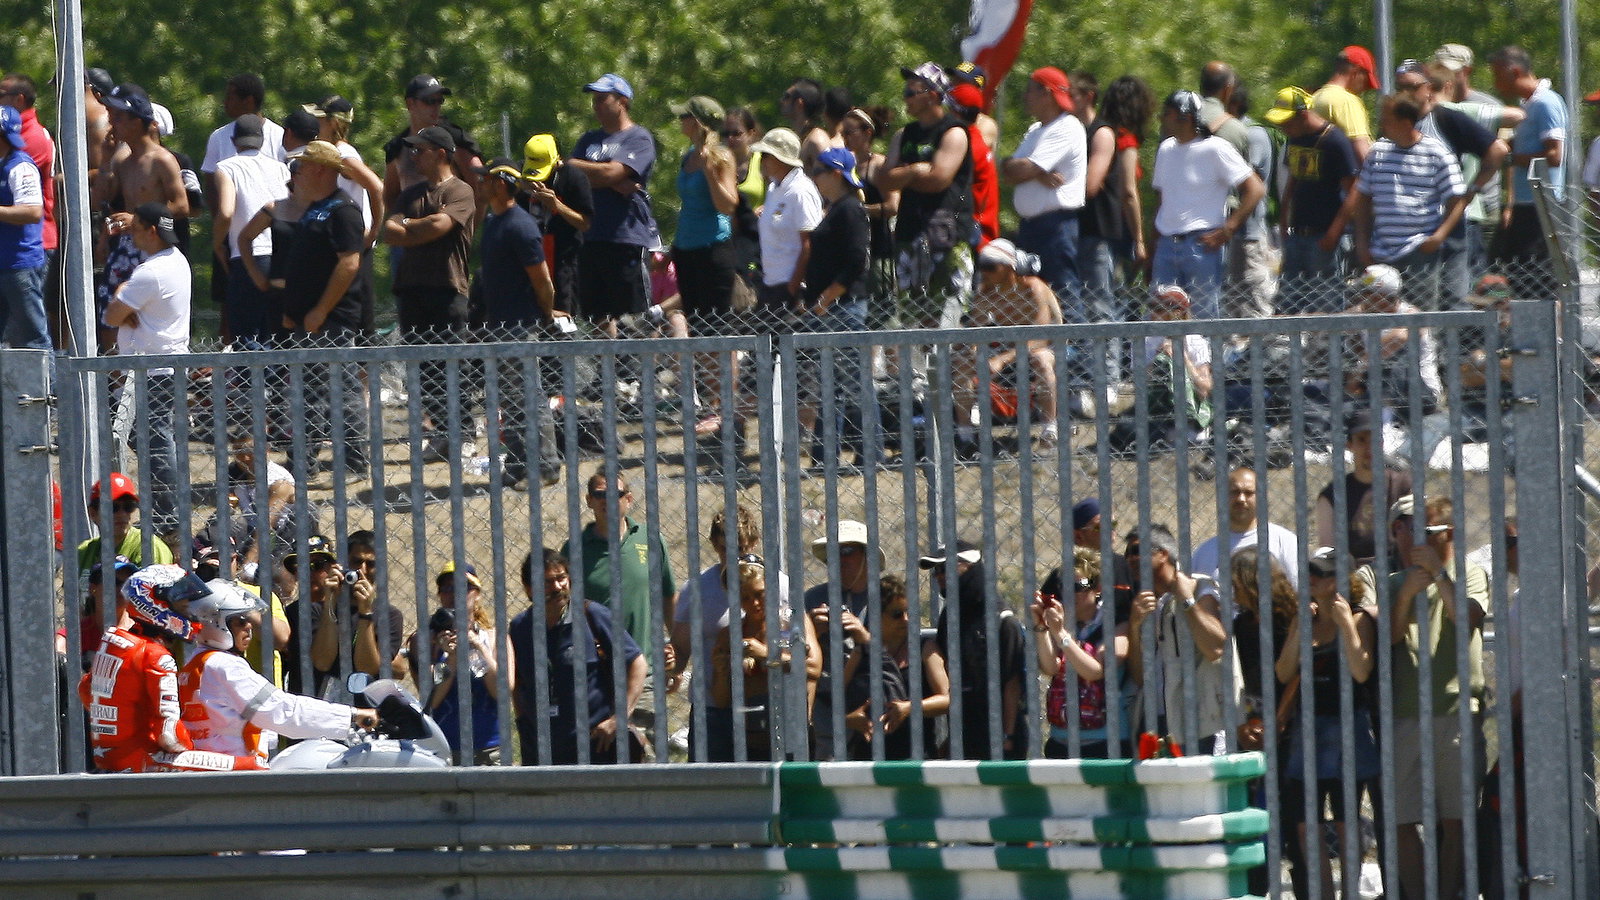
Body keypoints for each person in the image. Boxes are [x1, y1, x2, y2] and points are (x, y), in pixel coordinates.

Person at [244, 141, 370, 471]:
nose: (295, 173)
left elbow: (349, 263)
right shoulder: (315, 208)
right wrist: (294, 310)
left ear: (320, 170)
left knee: (342, 389)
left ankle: (354, 461)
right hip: (305, 319)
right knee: (308, 391)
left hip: (331, 318)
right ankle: (304, 461)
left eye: (300, 167)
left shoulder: (343, 210)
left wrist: (321, 310)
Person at [1388, 494, 1490, 900]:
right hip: (1403, 711)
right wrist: (1404, 596)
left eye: (1426, 529)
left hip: (1456, 710)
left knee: (1457, 818)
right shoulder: (1392, 580)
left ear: (1447, 533)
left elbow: (1467, 618)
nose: (1416, 537)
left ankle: (1448, 894)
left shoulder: (1472, 574)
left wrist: (1439, 575)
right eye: (1408, 528)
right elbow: (1389, 638)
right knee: (1400, 818)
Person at [178, 578, 377, 767]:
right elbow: (282, 710)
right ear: (215, 623)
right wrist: (353, 715)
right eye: (240, 621)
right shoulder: (225, 666)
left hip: (215, 766)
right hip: (236, 771)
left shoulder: (197, 663)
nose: (249, 627)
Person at [1275, 546, 1379, 900]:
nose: (1311, 580)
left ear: (1340, 580)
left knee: (1347, 821)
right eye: (1309, 573)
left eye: (1320, 574)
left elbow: (1361, 671)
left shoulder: (1359, 617)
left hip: (1348, 728)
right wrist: (1300, 629)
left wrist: (1346, 624)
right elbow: (1283, 672)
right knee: (1308, 825)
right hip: (1309, 730)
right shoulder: (1304, 618)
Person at [561, 469, 677, 754]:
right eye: (599, 494)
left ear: (629, 499)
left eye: (615, 493)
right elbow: (564, 607)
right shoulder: (575, 549)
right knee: (598, 753)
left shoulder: (650, 540)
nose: (607, 500)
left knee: (646, 755)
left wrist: (678, 652)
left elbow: (668, 596)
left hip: (644, 670)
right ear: (589, 500)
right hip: (595, 674)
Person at [382, 125, 475, 462]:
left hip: (447, 290)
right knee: (423, 370)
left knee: (452, 366)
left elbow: (441, 226)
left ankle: (463, 433)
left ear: (441, 153)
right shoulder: (412, 194)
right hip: (411, 289)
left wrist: (410, 226)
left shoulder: (460, 190)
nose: (414, 156)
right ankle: (442, 433)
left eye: (420, 150)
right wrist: (415, 228)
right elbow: (389, 231)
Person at [100, 202, 189, 541]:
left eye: (136, 229)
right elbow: (120, 312)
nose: (131, 235)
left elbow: (111, 315)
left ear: (151, 231)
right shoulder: (175, 260)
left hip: (154, 370)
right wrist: (126, 305)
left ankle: (169, 519)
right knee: (150, 440)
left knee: (155, 443)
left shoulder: (150, 272)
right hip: (159, 367)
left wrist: (121, 295)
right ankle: (168, 515)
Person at [510, 549, 646, 765]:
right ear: (529, 589)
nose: (557, 587)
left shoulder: (592, 616)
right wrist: (524, 725)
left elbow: (637, 663)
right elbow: (516, 683)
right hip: (542, 750)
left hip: (596, 747)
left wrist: (619, 718)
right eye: (546, 582)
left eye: (561, 578)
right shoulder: (519, 628)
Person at [78, 565, 209, 772]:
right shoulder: (157, 656)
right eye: (183, 606)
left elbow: (86, 691)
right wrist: (196, 748)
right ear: (155, 605)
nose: (190, 613)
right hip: (145, 762)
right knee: (253, 766)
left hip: (107, 760)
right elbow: (171, 737)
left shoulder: (112, 642)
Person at [1123, 524, 1241, 753]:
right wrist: (1135, 625)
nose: (1131, 559)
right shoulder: (1145, 604)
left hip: (1199, 721)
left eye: (1137, 551)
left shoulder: (1199, 587)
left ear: (1163, 554)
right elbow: (1140, 676)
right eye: (1128, 554)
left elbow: (1216, 648)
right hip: (1158, 721)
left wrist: (1186, 600)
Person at [1149, 91, 1264, 320]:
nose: (1162, 119)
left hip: (1201, 244)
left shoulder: (1216, 148)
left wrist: (1229, 228)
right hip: (1166, 243)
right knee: (1160, 317)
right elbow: (1162, 199)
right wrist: (1153, 243)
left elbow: (1255, 189)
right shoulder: (1166, 149)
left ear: (1186, 117)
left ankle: (1205, 346)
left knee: (1203, 316)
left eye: (1167, 114)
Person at [879, 62, 973, 329]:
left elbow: (938, 180)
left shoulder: (953, 132)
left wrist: (905, 176)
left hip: (947, 237)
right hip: (910, 234)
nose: (905, 98)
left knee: (948, 319)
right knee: (911, 320)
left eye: (911, 92)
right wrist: (916, 170)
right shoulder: (904, 135)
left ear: (932, 95)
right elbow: (884, 179)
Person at [1351, 95, 1467, 313]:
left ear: (1405, 123)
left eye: (1387, 120)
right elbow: (1363, 198)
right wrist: (1362, 242)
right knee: (1376, 315)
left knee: (1420, 316)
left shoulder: (1437, 153)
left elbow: (1457, 199)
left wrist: (1439, 237)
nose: (1381, 125)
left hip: (1419, 251)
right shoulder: (1377, 152)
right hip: (1380, 251)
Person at [93, 84, 190, 338]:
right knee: (111, 320)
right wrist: (105, 160)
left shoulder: (162, 159)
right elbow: (101, 200)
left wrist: (137, 219)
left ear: (137, 121)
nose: (112, 123)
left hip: (151, 244)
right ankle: (113, 365)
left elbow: (181, 205)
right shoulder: (123, 161)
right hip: (125, 245)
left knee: (145, 320)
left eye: (119, 117)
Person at [703, 554, 821, 761]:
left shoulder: (793, 620)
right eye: (745, 598)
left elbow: (813, 668)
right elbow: (721, 701)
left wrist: (766, 654)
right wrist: (721, 672)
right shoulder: (729, 635)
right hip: (749, 741)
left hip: (793, 735)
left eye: (760, 594)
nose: (755, 603)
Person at [569, 73, 658, 342]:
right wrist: (604, 176)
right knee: (598, 316)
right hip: (591, 235)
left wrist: (592, 171)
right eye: (594, 100)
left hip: (625, 238)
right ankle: (609, 366)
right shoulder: (589, 140)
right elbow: (571, 178)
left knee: (633, 317)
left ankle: (640, 366)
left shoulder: (638, 138)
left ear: (622, 102)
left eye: (602, 99)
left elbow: (610, 173)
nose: (596, 105)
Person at [953, 238, 1061, 452]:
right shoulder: (987, 292)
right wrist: (973, 353)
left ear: (1010, 267)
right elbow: (975, 331)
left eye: (991, 267)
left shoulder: (1033, 288)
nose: (985, 272)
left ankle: (1049, 428)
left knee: (1041, 358)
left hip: (1039, 348)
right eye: (982, 266)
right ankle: (965, 435)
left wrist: (1001, 360)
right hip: (1006, 350)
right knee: (962, 362)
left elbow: (1041, 336)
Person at [798, 146, 871, 460]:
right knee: (831, 384)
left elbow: (856, 260)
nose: (814, 177)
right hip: (829, 308)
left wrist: (827, 297)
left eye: (818, 171)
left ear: (836, 174)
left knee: (853, 383)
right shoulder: (835, 208)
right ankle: (825, 455)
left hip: (843, 306)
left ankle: (871, 452)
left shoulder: (850, 209)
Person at [926, 540, 1026, 759]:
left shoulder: (1002, 619)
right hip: (965, 733)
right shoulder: (950, 617)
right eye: (936, 571)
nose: (939, 576)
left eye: (945, 568)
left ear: (969, 567)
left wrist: (1008, 736)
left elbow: (1012, 683)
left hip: (1001, 734)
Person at [1001, 67, 1086, 319]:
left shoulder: (1067, 126)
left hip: (1056, 226)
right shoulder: (1035, 130)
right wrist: (1036, 172)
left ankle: (1076, 344)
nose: (1025, 96)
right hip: (1032, 226)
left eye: (1030, 90)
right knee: (1032, 299)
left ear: (1047, 93)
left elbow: (1022, 168)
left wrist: (1029, 169)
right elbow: (1007, 171)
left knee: (1063, 295)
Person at [1267, 86, 1359, 314]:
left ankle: (1329, 337)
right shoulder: (1295, 140)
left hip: (1324, 234)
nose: (1284, 128)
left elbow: (1353, 191)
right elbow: (1293, 179)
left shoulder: (1335, 141)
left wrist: (1334, 233)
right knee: (1288, 299)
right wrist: (1284, 218)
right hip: (1297, 232)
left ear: (1303, 114)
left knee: (1326, 300)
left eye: (1287, 122)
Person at [838, 572, 950, 760]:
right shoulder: (861, 653)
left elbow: (947, 699)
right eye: (897, 614)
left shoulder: (925, 649)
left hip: (915, 757)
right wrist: (850, 720)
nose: (906, 619)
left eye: (909, 612)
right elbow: (836, 707)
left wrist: (909, 708)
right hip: (868, 758)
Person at [1031, 548, 1131, 758]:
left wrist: (1061, 635)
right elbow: (1050, 667)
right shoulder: (1063, 622)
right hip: (1061, 739)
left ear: (1098, 589)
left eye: (1078, 587)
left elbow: (1095, 671)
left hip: (1105, 740)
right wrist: (1041, 628)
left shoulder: (1116, 623)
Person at [281, 533, 405, 698]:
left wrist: (365, 613)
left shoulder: (389, 616)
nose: (362, 570)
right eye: (356, 562)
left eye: (371, 564)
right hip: (314, 705)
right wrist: (331, 601)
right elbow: (322, 662)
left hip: (362, 708)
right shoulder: (307, 611)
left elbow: (368, 668)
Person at [1489, 46, 1567, 301]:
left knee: (1536, 273)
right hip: (1525, 202)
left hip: (1541, 204)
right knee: (1516, 267)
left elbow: (1554, 155)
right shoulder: (1528, 105)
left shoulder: (1546, 103)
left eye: (1498, 76)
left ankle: (1544, 323)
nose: (1496, 84)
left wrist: (1511, 158)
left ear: (1514, 72)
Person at [411, 563, 507, 765]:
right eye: (447, 588)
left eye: (463, 587)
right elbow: (431, 698)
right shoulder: (425, 641)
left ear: (477, 594)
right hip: (444, 748)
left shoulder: (494, 637)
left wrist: (478, 647)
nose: (454, 594)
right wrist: (451, 659)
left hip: (490, 748)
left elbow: (503, 692)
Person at [305, 95, 385, 331]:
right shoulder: (331, 152)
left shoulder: (343, 154)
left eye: (319, 119)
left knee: (361, 324)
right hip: (340, 246)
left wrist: (373, 232)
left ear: (333, 123)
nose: (314, 124)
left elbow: (377, 187)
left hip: (354, 245)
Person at [212, 114, 289, 349]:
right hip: (280, 256)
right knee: (275, 335)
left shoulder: (226, 168)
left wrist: (217, 243)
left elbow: (226, 212)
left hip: (246, 256)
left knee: (246, 336)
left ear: (234, 140)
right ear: (262, 141)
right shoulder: (281, 169)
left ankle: (251, 375)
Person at [805, 519, 880, 760]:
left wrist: (863, 636)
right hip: (826, 707)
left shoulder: (887, 596)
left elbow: (901, 653)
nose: (840, 559)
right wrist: (812, 632)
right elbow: (792, 653)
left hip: (875, 702)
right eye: (834, 552)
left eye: (847, 550)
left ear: (867, 556)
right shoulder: (812, 599)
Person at [1314, 408, 1412, 568]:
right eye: (1361, 440)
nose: (1369, 447)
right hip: (1355, 574)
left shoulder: (1402, 485)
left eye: (1374, 440)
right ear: (1349, 445)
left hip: (1397, 570)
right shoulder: (1332, 496)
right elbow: (1327, 550)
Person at [1342, 263, 1443, 414]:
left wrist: (1353, 380)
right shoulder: (1367, 309)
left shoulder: (1410, 315)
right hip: (1376, 386)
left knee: (1391, 367)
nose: (1360, 297)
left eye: (1365, 293)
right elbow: (1332, 322)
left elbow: (1394, 341)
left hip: (1417, 391)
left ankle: (1385, 419)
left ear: (1380, 296)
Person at [380, 73, 485, 218]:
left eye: (439, 101)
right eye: (429, 101)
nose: (436, 107)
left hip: (448, 225)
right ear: (410, 104)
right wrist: (399, 224)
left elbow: (480, 185)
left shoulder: (454, 140)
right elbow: (390, 196)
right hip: (412, 228)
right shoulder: (398, 148)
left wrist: (467, 226)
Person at [520, 133, 592, 321]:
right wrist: (520, 187)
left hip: (563, 259)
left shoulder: (573, 178)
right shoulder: (521, 176)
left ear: (557, 160)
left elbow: (585, 223)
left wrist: (557, 205)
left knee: (562, 316)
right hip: (530, 256)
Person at [1191, 467, 1301, 588]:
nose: (1241, 499)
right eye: (1234, 492)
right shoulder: (1204, 553)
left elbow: (1298, 591)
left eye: (1249, 493)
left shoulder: (1285, 542)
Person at [0, 103, 48, 350]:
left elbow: (32, 211)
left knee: (33, 338)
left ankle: (47, 377)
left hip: (19, 264)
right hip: (4, 262)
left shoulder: (20, 166)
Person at [76, 473, 175, 581]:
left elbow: (154, 591)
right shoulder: (84, 552)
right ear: (93, 513)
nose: (122, 514)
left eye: (129, 506)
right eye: (113, 507)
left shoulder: (149, 548)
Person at [1312, 46, 1378, 161]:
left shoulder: (1315, 97)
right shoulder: (1347, 101)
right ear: (1355, 72)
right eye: (1366, 81)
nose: (1365, 89)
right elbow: (1362, 152)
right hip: (1345, 171)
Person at [780, 78, 830, 169]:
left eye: (787, 97)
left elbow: (829, 175)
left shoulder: (817, 140)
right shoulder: (798, 137)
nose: (782, 101)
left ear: (799, 103)